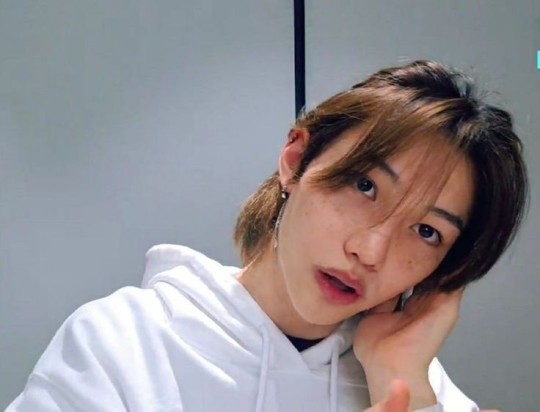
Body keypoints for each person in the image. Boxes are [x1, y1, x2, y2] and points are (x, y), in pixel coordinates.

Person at [6, 60, 527, 412]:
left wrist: (404, 384)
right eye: (365, 186)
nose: (370, 251)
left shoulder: (410, 380)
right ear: (296, 159)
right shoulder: (125, 343)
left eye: (427, 231)